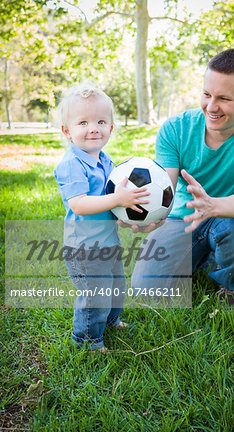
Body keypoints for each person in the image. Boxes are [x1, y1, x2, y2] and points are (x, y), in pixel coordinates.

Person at [131, 49, 234, 310]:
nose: (211, 107)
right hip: (183, 218)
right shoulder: (175, 128)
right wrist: (151, 216)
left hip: (231, 217)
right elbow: (163, 189)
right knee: (146, 288)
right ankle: (208, 257)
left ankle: (231, 284)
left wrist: (212, 206)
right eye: (207, 94)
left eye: (223, 98)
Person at [54, 82, 149, 352]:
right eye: (82, 122)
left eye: (100, 121)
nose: (93, 128)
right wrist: (118, 200)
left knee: (116, 284)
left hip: (108, 242)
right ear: (67, 131)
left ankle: (111, 320)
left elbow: (113, 198)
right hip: (83, 248)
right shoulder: (71, 165)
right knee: (95, 294)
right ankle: (87, 339)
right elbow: (80, 204)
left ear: (110, 128)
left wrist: (128, 211)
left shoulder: (106, 161)